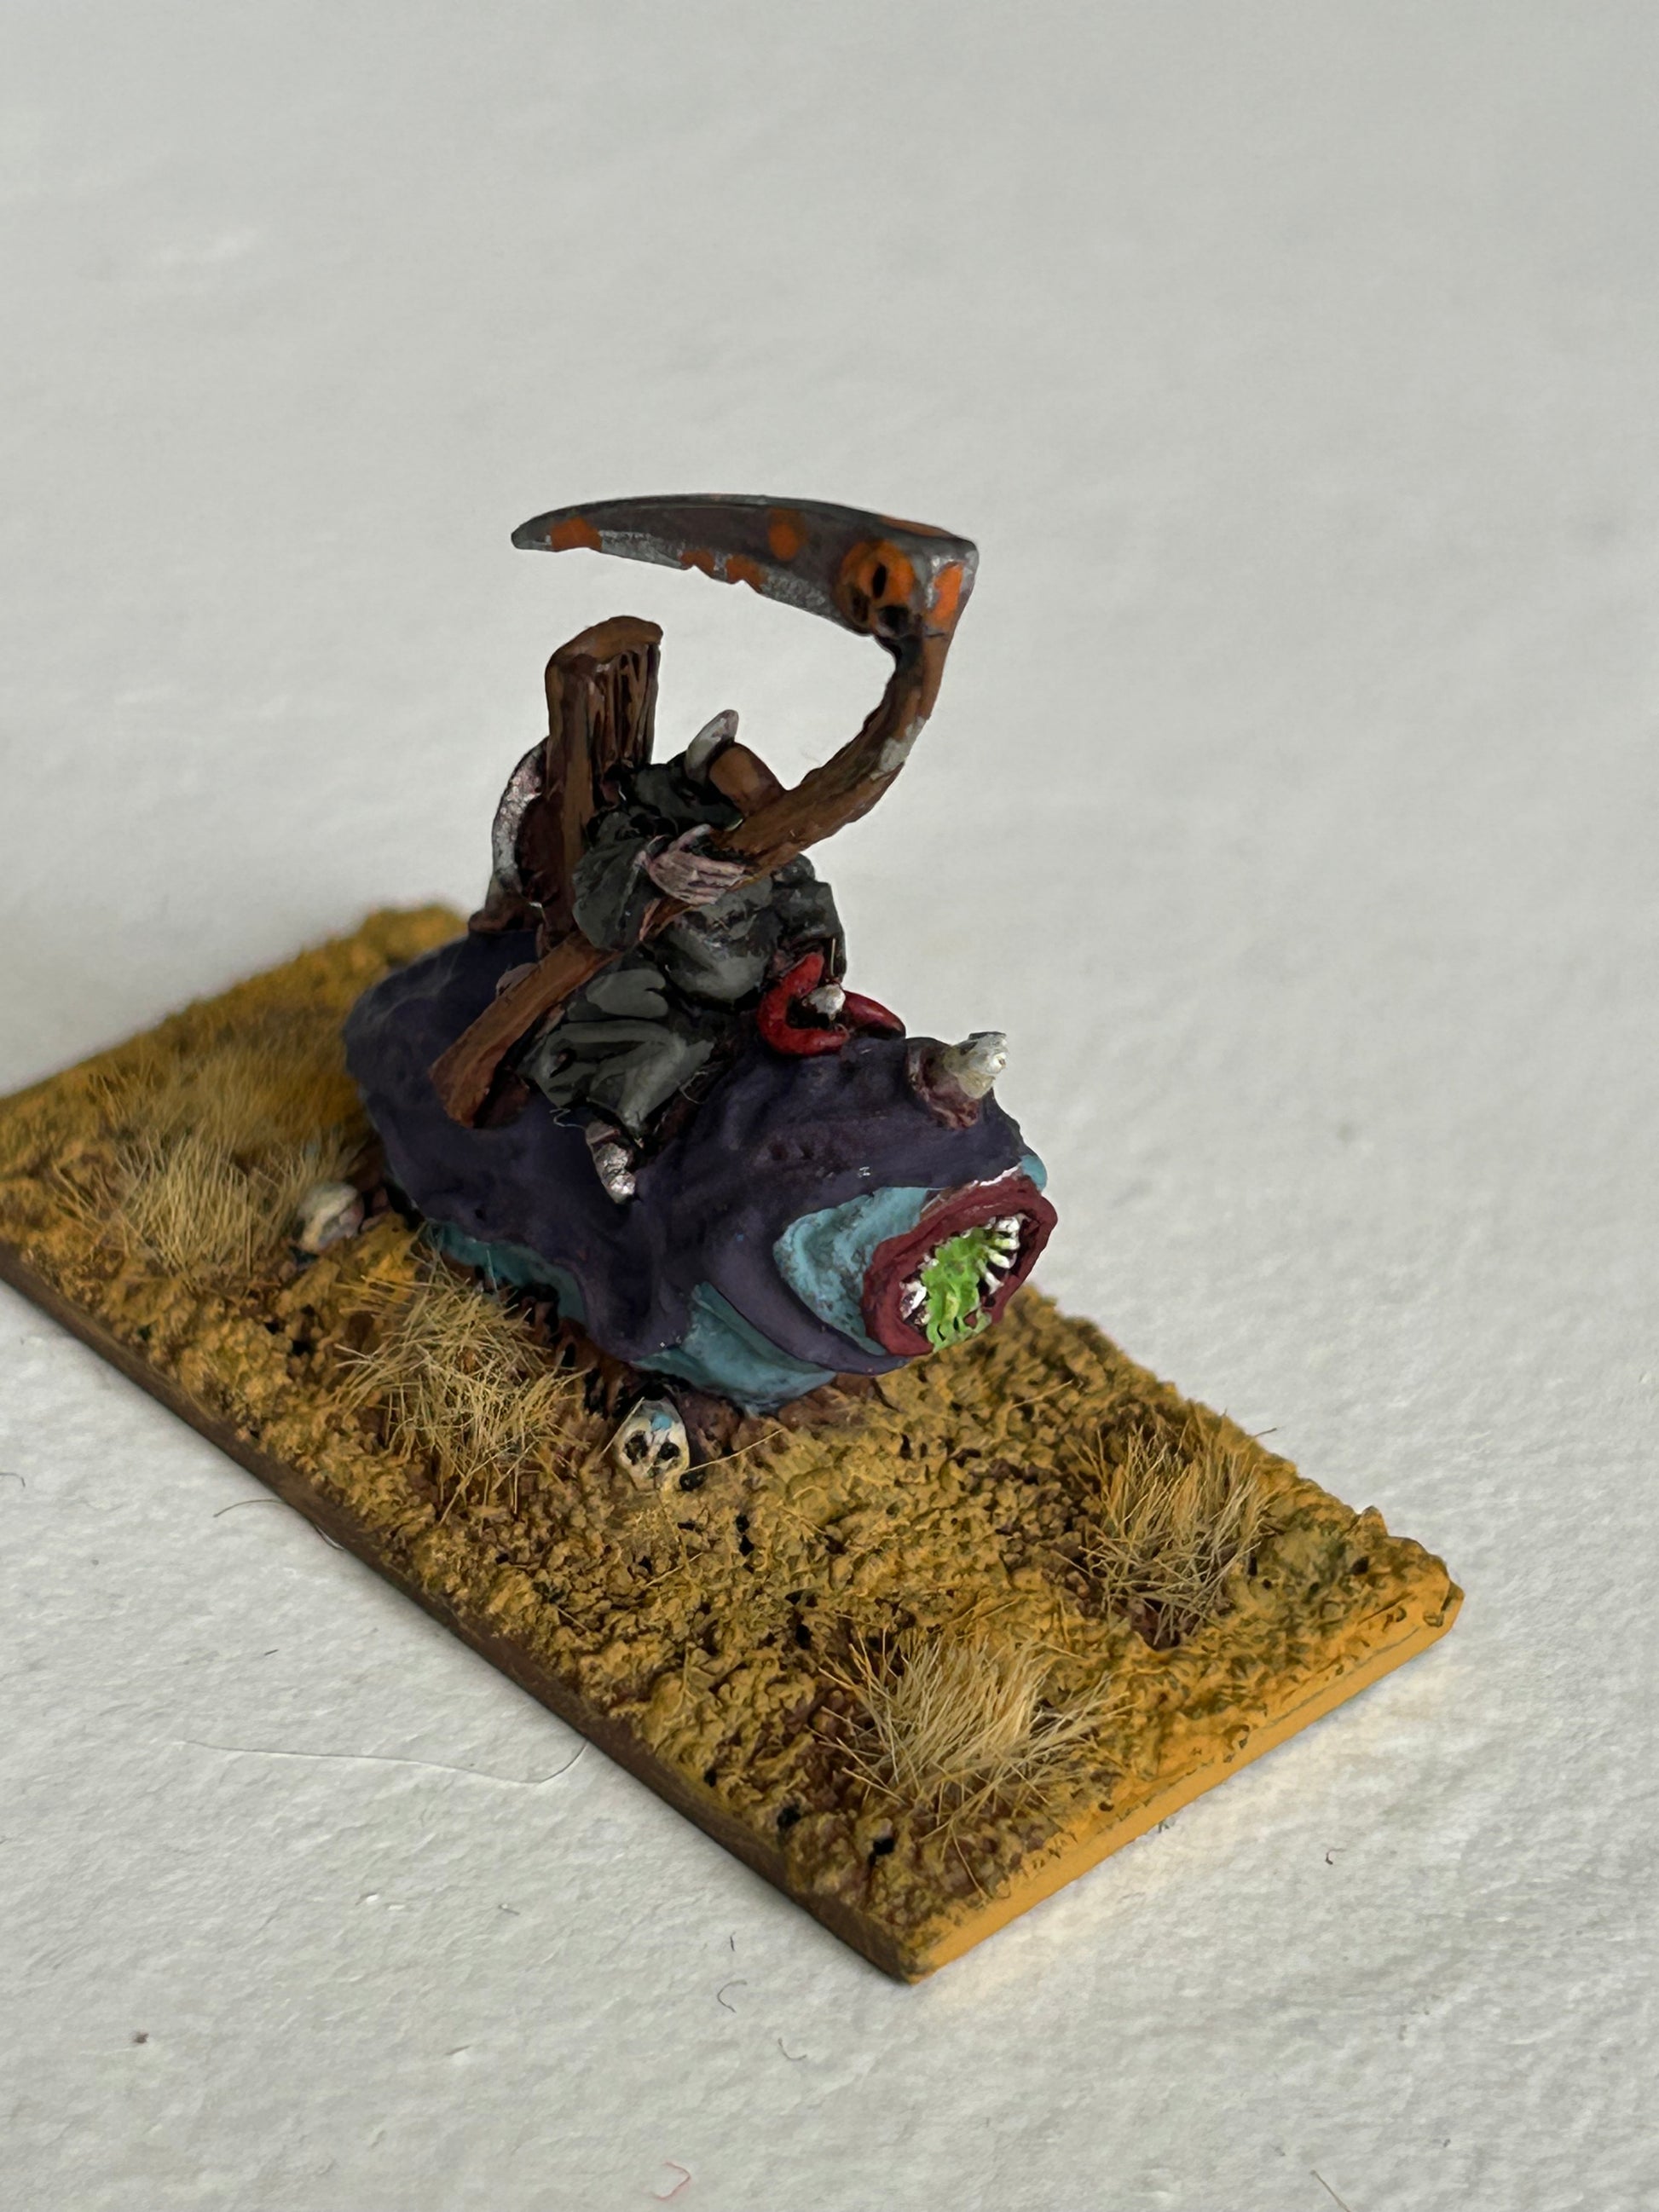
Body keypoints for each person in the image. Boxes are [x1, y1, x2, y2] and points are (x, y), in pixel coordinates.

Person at [515, 712, 846, 1200]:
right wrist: (653, 870)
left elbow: (805, 896)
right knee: (669, 1050)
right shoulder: (636, 826)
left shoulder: (768, 843)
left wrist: (812, 956)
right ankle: (614, 1136)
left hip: (763, 988)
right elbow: (598, 895)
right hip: (665, 990)